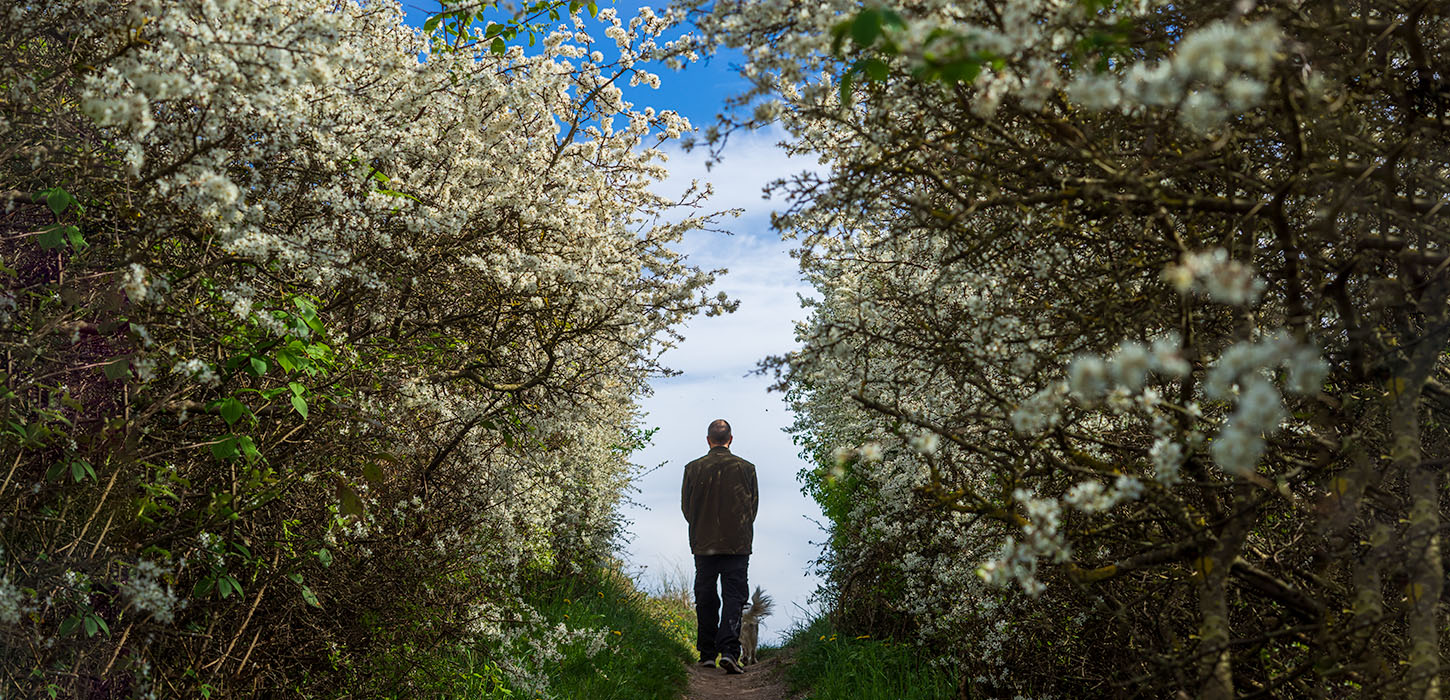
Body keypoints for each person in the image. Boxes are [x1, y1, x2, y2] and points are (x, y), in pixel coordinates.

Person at [681, 418, 759, 674]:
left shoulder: (693, 468)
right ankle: (729, 652)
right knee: (734, 597)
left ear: (708, 440)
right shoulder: (747, 468)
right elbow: (753, 508)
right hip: (737, 544)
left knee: (705, 596)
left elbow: (687, 508)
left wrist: (701, 526)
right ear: (730, 439)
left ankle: (706, 653)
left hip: (704, 543)